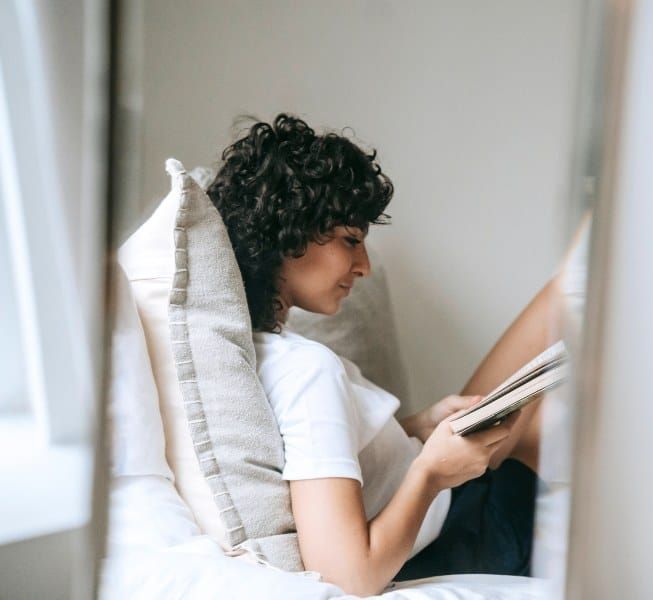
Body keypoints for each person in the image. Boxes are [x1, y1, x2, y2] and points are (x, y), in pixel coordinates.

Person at [208, 113, 557, 596]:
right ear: (287, 237)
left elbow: (328, 452)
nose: (365, 266)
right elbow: (348, 577)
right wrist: (431, 472)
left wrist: (418, 427)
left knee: (558, 327)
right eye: (351, 241)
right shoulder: (308, 371)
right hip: (465, 534)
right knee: (558, 386)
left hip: (453, 511)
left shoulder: (271, 354)